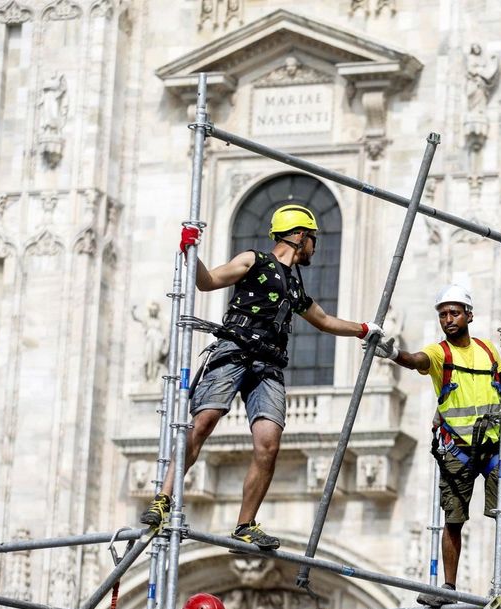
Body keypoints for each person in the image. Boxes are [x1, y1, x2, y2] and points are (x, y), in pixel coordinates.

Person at [141, 204, 384, 550]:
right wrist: (188, 251)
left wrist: (363, 330)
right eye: (313, 239)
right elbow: (207, 281)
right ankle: (163, 498)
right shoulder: (252, 260)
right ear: (300, 236)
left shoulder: (296, 288)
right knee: (204, 421)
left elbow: (325, 320)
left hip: (268, 364)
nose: (315, 247)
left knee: (268, 444)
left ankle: (245, 524)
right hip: (235, 350)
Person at [372, 284, 501, 608]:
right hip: (457, 449)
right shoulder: (439, 353)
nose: (448, 319)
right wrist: (393, 354)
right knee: (454, 519)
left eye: (454, 312)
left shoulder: (489, 351)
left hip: (493, 448)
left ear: (468, 315)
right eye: (443, 314)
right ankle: (447, 586)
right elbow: (415, 358)